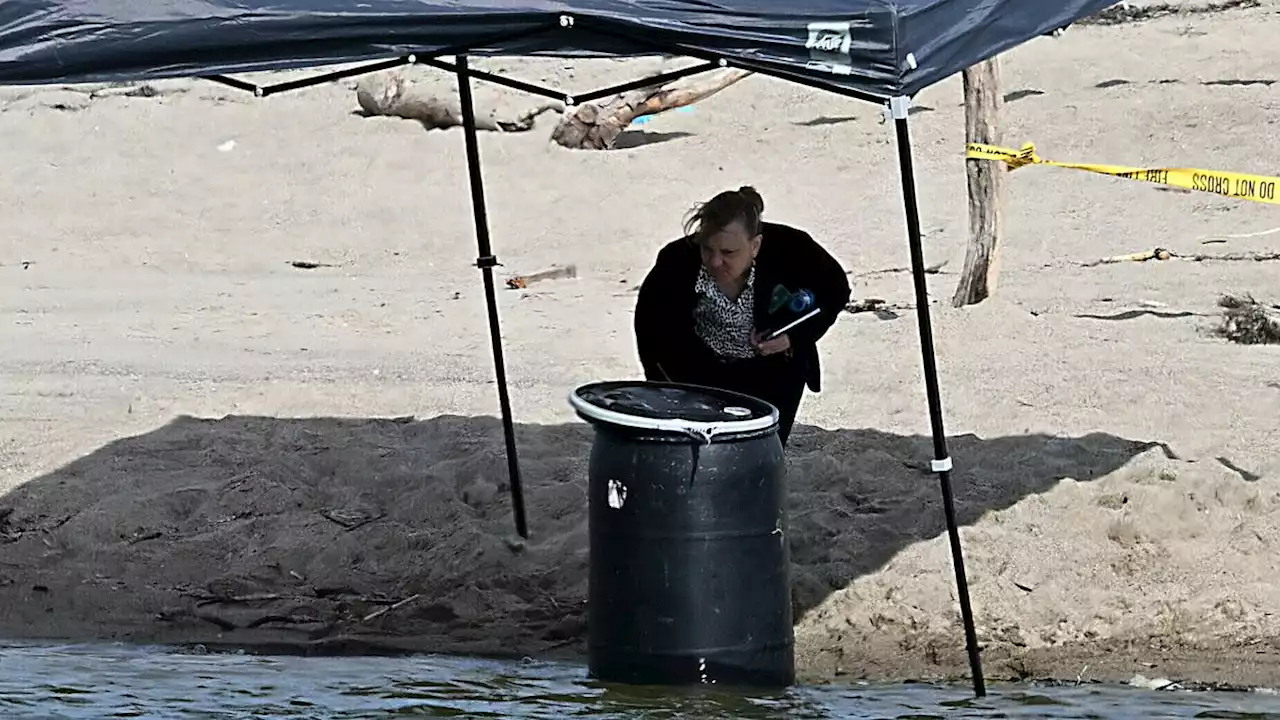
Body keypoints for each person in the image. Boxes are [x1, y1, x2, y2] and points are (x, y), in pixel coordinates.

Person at [633, 186, 851, 445]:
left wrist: (793, 337)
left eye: (728, 253)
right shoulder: (676, 261)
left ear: (755, 245)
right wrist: (667, 388)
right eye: (707, 249)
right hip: (701, 373)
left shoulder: (792, 249)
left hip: (776, 373)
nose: (715, 262)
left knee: (762, 450)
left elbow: (835, 289)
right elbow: (650, 327)